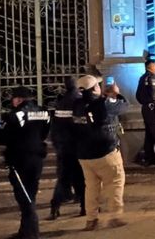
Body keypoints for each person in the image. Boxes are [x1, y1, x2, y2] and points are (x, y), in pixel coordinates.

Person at [73, 75, 129, 231]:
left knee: (91, 188)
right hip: (105, 152)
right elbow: (124, 106)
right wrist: (116, 93)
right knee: (115, 182)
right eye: (97, 85)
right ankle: (115, 216)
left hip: (84, 155)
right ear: (94, 89)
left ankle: (91, 219)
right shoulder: (104, 104)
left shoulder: (77, 105)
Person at [0, 86, 50, 239]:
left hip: (20, 160)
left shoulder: (15, 115)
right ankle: (25, 231)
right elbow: (45, 132)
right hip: (37, 158)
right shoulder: (44, 112)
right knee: (30, 194)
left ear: (18, 99)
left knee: (24, 197)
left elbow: (2, 138)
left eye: (13, 98)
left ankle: (32, 233)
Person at [48, 77, 85, 220]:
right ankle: (84, 206)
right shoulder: (79, 100)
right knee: (81, 177)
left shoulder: (60, 102)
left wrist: (57, 143)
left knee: (63, 179)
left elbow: (55, 126)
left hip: (63, 146)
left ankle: (55, 207)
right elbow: (81, 125)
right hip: (77, 145)